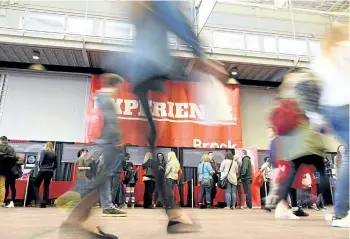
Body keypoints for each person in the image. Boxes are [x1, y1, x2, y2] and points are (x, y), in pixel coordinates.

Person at [104, 3, 228, 233]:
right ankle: (172, 213)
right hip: (153, 68)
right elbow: (176, 21)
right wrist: (200, 53)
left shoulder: (139, 8)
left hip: (140, 72)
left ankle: (172, 213)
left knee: (150, 139)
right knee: (150, 140)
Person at [60, 74, 126, 239]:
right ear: (115, 84)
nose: (119, 90)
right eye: (119, 86)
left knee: (103, 180)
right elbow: (110, 121)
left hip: (106, 141)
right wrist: (117, 140)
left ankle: (83, 221)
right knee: (102, 179)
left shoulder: (102, 97)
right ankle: (75, 198)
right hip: (109, 142)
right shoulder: (106, 97)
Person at [273, 70, 329, 220]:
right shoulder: (308, 83)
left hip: (293, 139)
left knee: (291, 171)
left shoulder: (286, 88)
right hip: (310, 136)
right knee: (322, 171)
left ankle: (281, 207)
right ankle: (332, 209)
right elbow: (316, 110)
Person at [312, 24, 349, 227]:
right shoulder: (343, 48)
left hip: (330, 110)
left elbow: (310, 91)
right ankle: (342, 214)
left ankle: (341, 213)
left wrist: (317, 119)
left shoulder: (320, 61)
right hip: (344, 107)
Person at [34, 142, 57, 208]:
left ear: (46, 146)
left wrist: (40, 167)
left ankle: (38, 200)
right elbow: (56, 164)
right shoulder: (54, 154)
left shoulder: (43, 151)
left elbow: (40, 161)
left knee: (35, 184)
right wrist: (51, 169)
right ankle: (44, 203)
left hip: (43, 170)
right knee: (46, 186)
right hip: (50, 172)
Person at [0, 136, 17, 207]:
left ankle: (2, 202)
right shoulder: (11, 148)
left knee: (2, 185)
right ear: (7, 140)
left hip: (0, 169)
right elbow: (14, 159)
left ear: (1, 140)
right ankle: (3, 202)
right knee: (6, 186)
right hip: (9, 170)